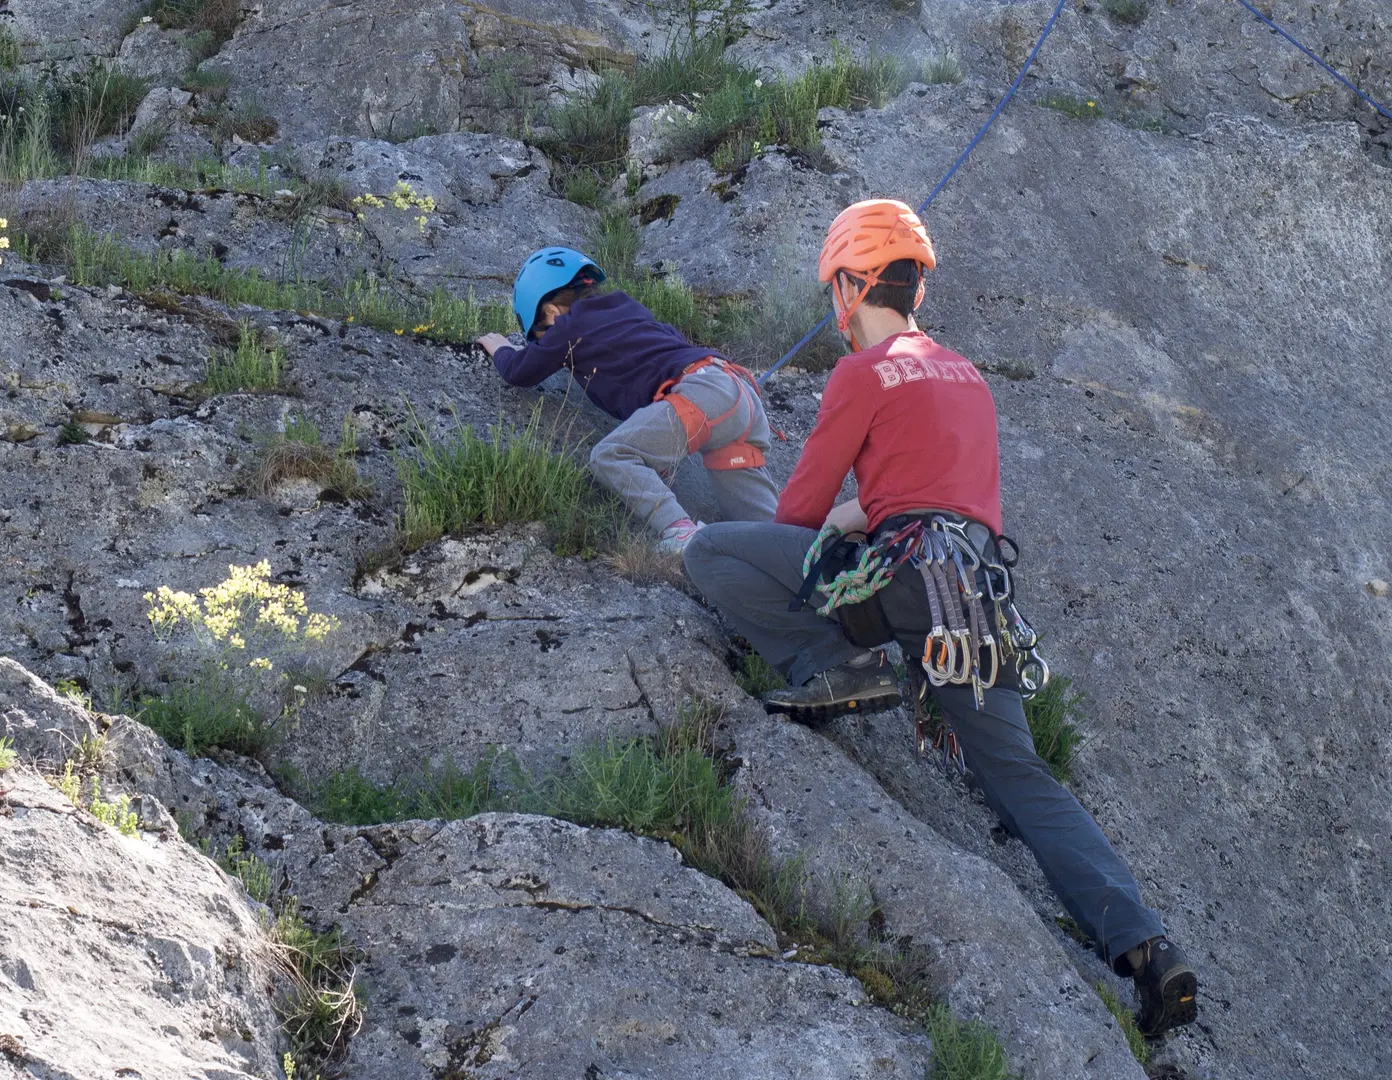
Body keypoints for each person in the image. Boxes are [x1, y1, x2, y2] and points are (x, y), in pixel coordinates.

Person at [681, 199, 1199, 1036]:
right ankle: (1147, 949)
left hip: (906, 579)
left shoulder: (860, 373)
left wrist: (839, 519)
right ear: (914, 283)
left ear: (852, 284)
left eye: (833, 294)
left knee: (711, 553)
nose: (834, 314)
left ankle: (836, 667)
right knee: (1021, 779)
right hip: (976, 601)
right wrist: (869, 509)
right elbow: (944, 494)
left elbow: (798, 514)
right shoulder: (965, 375)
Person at [474, 247, 777, 552]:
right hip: (737, 394)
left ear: (550, 313)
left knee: (611, 455)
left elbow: (519, 372)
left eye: (540, 337)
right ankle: (803, 575)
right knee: (765, 532)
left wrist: (501, 348)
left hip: (701, 397)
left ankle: (680, 533)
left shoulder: (566, 326)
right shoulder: (628, 308)